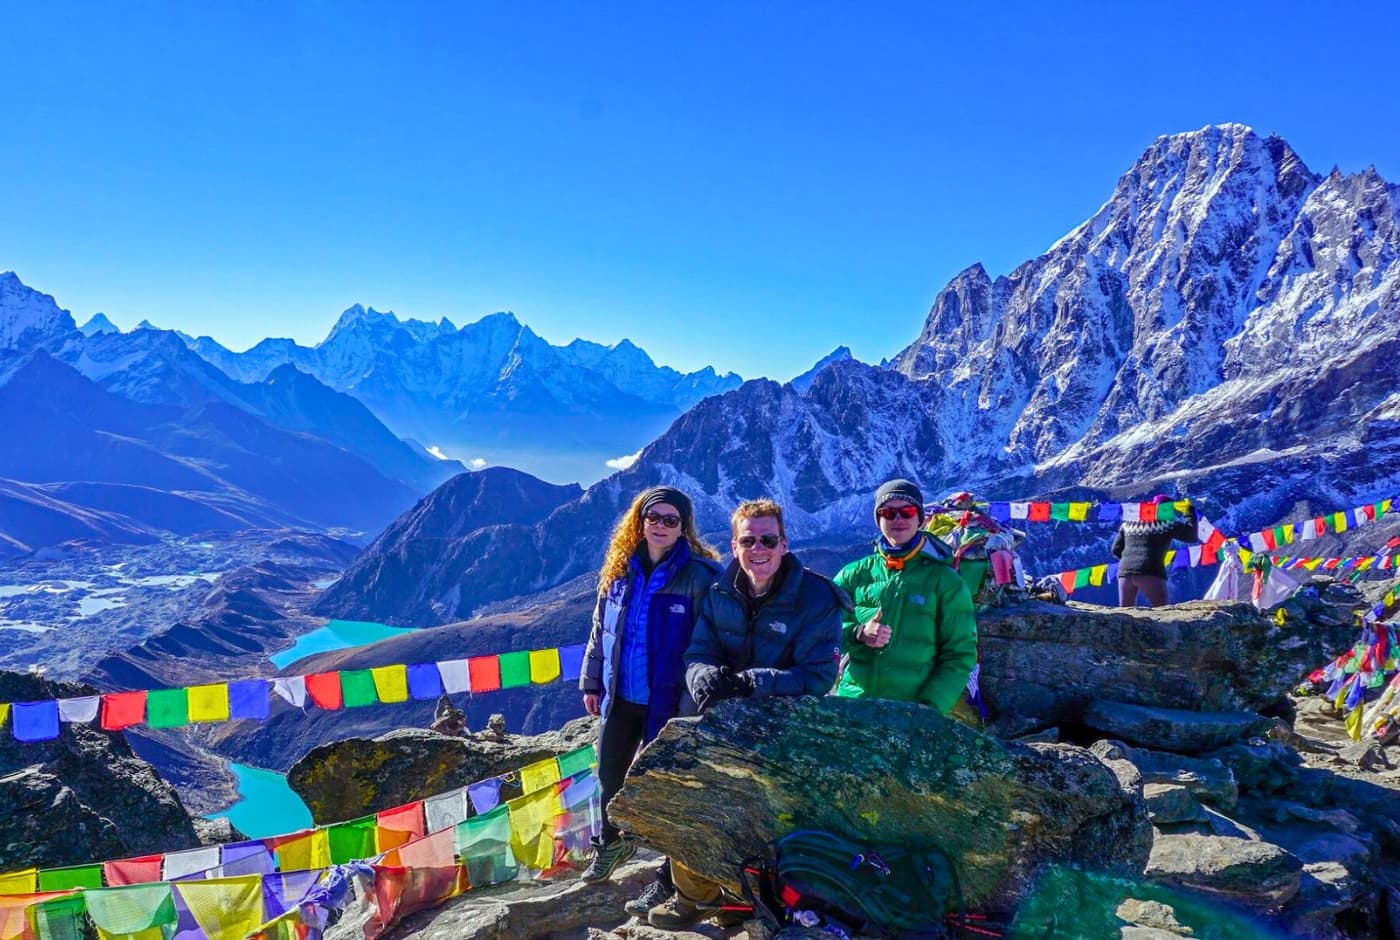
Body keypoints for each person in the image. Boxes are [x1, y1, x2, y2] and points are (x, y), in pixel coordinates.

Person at [646, 497, 846, 930]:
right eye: (748, 540)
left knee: (777, 821)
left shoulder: (817, 599)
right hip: (725, 723)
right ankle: (694, 897)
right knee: (692, 800)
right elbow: (699, 650)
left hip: (788, 730)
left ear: (785, 544)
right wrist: (703, 679)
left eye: (768, 540)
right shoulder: (720, 592)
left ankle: (771, 900)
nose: (759, 549)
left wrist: (752, 682)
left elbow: (817, 677)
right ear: (734, 546)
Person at [578, 486, 721, 900]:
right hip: (621, 696)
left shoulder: (701, 576)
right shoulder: (621, 569)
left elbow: (712, 641)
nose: (659, 525)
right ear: (639, 521)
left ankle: (666, 877)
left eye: (670, 520)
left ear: (684, 527)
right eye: (652, 517)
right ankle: (612, 844)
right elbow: (599, 631)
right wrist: (592, 681)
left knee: (666, 790)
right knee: (609, 775)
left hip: (671, 702)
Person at [832, 479, 979, 714]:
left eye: (907, 512)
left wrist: (930, 708)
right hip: (854, 703)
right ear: (878, 519)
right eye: (888, 512)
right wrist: (858, 633)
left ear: (920, 518)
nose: (898, 519)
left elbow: (960, 653)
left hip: (913, 710)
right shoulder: (853, 575)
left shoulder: (945, 581)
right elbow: (820, 631)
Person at [1111, 495, 1199, 608]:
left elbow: (1115, 550)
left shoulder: (1128, 523)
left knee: (1125, 613)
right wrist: (1189, 513)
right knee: (1163, 611)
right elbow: (1191, 536)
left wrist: (1129, 560)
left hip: (1124, 573)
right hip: (1150, 571)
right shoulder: (1166, 523)